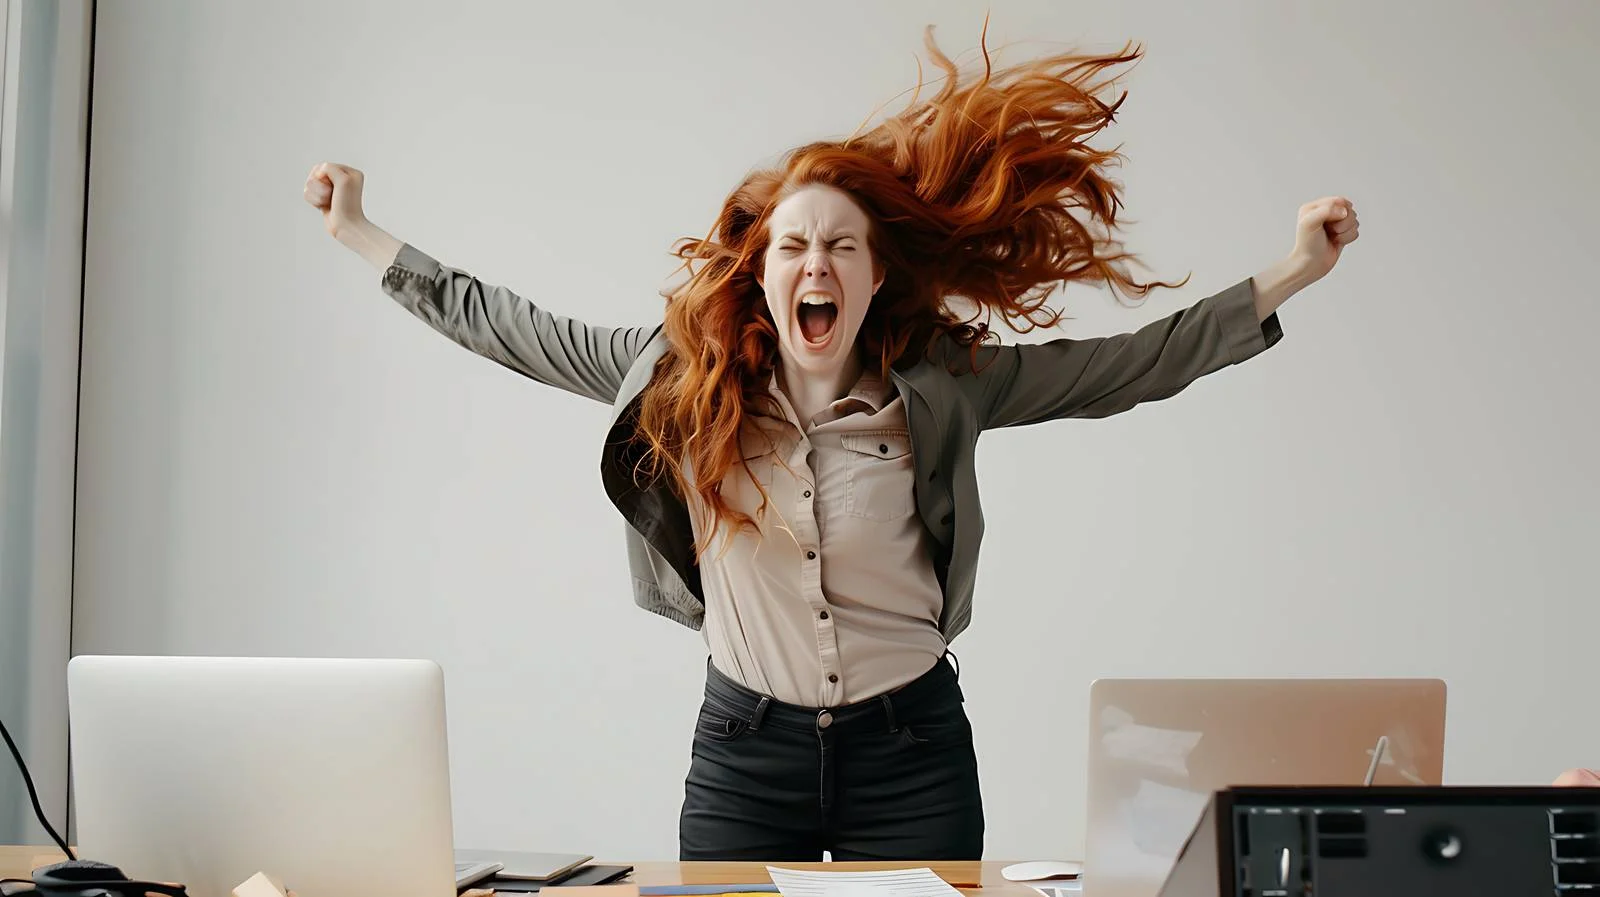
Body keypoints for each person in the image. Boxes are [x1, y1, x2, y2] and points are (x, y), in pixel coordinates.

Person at [302, 29, 1358, 861]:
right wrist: (359, 230)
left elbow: (1128, 364)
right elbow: (504, 323)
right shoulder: (676, 377)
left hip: (912, 756)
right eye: (795, 245)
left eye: (841, 245)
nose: (817, 262)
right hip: (742, 756)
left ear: (873, 274)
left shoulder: (945, 386)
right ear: (762, 272)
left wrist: (1293, 271)